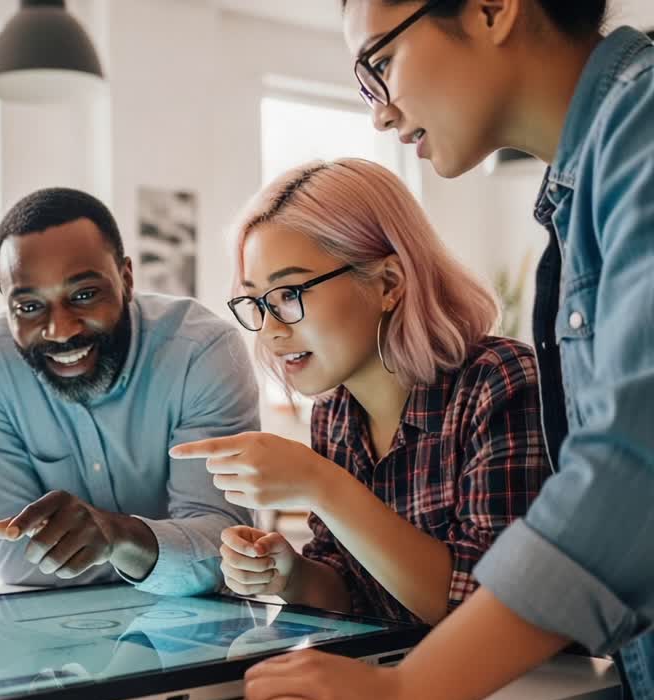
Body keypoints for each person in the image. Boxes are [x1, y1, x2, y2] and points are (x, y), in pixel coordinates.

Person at [241, 2, 654, 700]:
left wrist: (405, 694)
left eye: (381, 63)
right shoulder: (577, 190)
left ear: (494, 9)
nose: (380, 113)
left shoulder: (639, 140)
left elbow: (627, 475)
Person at [170, 158, 547, 626]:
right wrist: (291, 576)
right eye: (257, 302)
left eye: (289, 293)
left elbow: (492, 612)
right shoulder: (335, 415)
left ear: (389, 283)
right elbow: (352, 592)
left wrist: (322, 484)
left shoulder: (500, 381)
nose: (268, 330)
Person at [0, 187, 259, 596]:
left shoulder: (202, 352)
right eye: (28, 306)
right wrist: (165, 557)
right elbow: (11, 556)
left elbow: (223, 552)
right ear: (5, 303)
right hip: (58, 642)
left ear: (126, 279)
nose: (60, 329)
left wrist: (118, 536)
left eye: (83, 295)